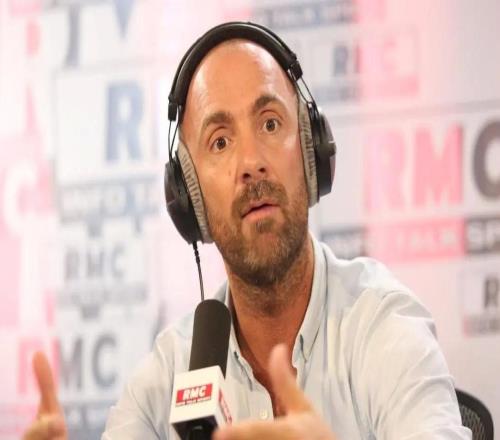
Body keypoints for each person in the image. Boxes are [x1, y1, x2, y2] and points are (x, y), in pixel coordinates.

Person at [23, 22, 471, 440]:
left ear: (310, 152)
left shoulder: (382, 326)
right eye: (220, 141)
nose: (251, 162)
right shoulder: (170, 372)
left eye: (270, 124)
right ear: (190, 195)